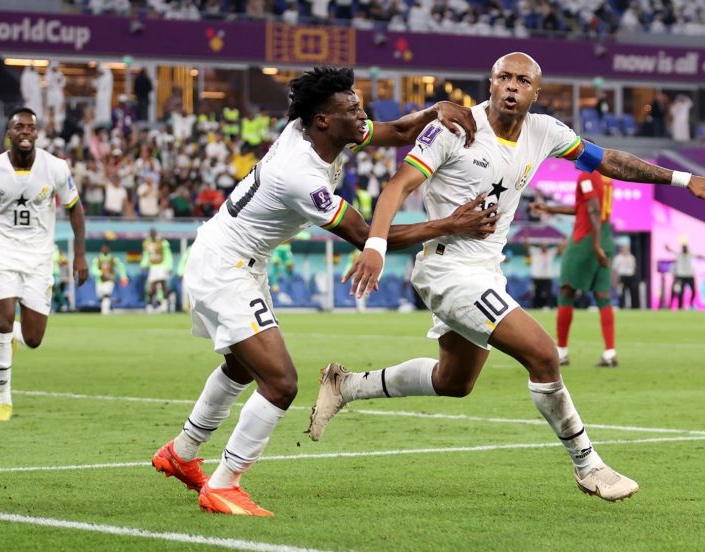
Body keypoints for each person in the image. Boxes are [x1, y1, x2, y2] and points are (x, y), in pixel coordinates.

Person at [320, 52, 705, 503]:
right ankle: (589, 465)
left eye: (523, 80)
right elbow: (397, 186)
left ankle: (346, 385)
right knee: (543, 354)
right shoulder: (455, 128)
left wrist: (681, 179)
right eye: (504, 77)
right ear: (490, 83)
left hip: (486, 272)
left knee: (454, 382)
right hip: (446, 271)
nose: (512, 86)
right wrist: (375, 246)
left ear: (536, 93)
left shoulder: (545, 132)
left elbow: (607, 160)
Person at [150, 66, 495, 517]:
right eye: (352, 109)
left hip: (237, 259)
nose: (362, 114)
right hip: (224, 267)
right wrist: (449, 224)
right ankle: (224, 484)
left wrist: (434, 111)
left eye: (359, 104)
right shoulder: (301, 176)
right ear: (323, 121)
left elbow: (395, 131)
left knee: (240, 365)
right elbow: (368, 236)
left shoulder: (321, 132)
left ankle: (182, 451)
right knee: (280, 383)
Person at [0, 107, 87, 422]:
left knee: (33, 339)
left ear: (36, 133)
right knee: (1, 321)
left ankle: (16, 337)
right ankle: (3, 402)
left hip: (39, 259)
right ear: (9, 133)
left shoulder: (55, 167)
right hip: (2, 253)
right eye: (19, 127)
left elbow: (75, 208)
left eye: (30, 127)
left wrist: (79, 254)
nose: (25, 132)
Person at [533, 170, 621, 366]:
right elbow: (583, 208)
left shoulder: (587, 175)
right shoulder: (606, 178)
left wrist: (595, 244)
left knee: (566, 290)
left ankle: (562, 352)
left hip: (586, 240)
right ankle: (610, 352)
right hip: (606, 237)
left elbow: (594, 209)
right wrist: (549, 208)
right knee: (602, 295)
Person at [141, 228, 173, 313]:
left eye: (153, 233)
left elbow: (168, 254)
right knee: (152, 286)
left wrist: (169, 266)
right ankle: (150, 305)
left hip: (162, 265)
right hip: (153, 266)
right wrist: (144, 264)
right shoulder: (146, 243)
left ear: (156, 233)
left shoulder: (163, 242)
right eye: (151, 233)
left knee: (163, 284)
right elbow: (146, 255)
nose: (152, 235)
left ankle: (164, 305)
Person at [666, 243, 705, 310]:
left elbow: (698, 256)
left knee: (694, 291)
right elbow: (671, 251)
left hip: (689, 275)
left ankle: (691, 303)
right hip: (681, 276)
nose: (685, 249)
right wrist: (667, 248)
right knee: (681, 292)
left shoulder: (690, 254)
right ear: (682, 249)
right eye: (684, 248)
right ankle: (681, 306)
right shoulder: (679, 254)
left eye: (686, 248)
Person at [91, 242, 129, 315]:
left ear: (109, 249)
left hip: (110, 280)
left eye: (106, 248)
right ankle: (107, 307)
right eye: (103, 248)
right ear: (101, 249)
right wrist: (101, 273)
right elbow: (93, 269)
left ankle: (105, 311)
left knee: (107, 294)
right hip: (99, 281)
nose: (105, 249)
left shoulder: (113, 259)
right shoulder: (97, 259)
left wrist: (123, 277)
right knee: (100, 296)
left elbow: (121, 267)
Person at [525, 239, 556, 309]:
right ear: (540, 246)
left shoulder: (550, 252)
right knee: (536, 293)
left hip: (547, 277)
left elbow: (560, 249)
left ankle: (548, 306)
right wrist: (526, 237)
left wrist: (564, 239)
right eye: (543, 245)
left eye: (545, 245)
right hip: (537, 277)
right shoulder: (535, 251)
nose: (544, 247)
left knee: (548, 293)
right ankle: (536, 306)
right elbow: (526, 246)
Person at [613, 243, 639, 309]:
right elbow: (615, 271)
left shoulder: (632, 257)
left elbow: (634, 269)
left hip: (631, 276)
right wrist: (615, 281)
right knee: (621, 293)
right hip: (622, 277)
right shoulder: (618, 258)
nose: (625, 250)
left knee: (634, 292)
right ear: (621, 249)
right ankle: (621, 306)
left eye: (627, 248)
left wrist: (634, 277)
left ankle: (635, 307)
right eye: (624, 248)